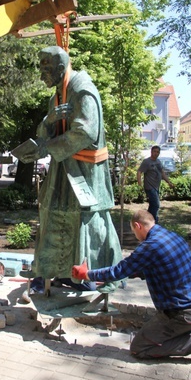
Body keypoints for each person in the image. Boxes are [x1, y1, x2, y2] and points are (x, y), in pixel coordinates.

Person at [12, 45, 122, 292]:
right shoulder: (57, 96)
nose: (41, 75)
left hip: (85, 172)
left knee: (84, 221)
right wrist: (48, 121)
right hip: (62, 171)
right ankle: (54, 272)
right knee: (53, 217)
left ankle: (87, 276)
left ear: (61, 68)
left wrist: (47, 147)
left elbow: (86, 132)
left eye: (45, 69)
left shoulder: (83, 91)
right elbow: (44, 131)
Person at [72, 210, 191, 362]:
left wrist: (87, 274)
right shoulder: (173, 236)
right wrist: (120, 276)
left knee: (140, 349)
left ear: (137, 226)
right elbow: (154, 267)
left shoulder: (150, 246)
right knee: (173, 328)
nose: (136, 237)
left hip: (181, 313)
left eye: (133, 231)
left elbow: (119, 270)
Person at [137, 145, 174, 223]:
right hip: (149, 187)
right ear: (151, 152)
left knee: (152, 205)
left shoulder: (158, 162)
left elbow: (162, 173)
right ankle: (154, 222)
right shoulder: (147, 162)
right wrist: (139, 183)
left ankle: (146, 221)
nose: (156, 153)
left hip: (156, 187)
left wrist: (169, 182)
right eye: (154, 151)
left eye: (158, 152)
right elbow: (139, 171)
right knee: (156, 205)